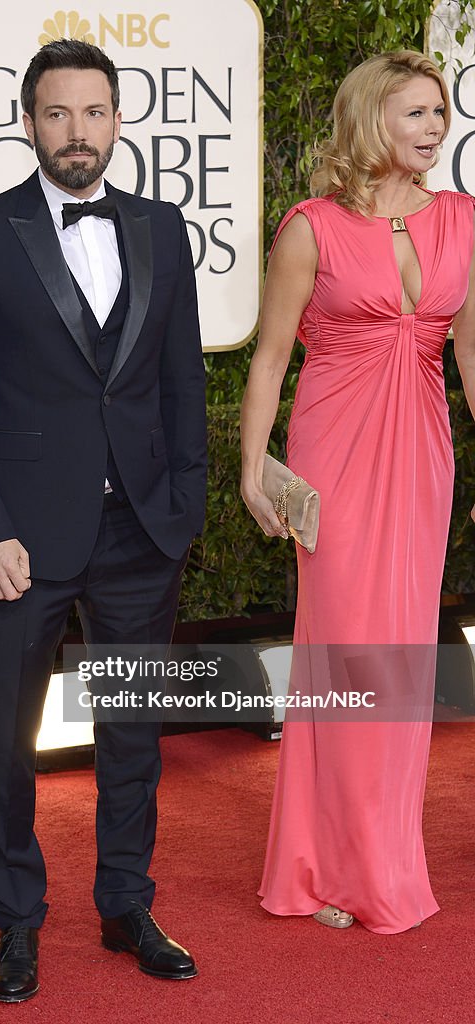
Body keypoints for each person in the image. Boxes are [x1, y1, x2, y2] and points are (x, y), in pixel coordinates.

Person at [0, 39, 207, 1001]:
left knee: (133, 732)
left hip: (141, 532)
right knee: (8, 739)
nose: (77, 132)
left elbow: (180, 382)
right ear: (28, 122)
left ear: (119, 120)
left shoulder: (163, 230)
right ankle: (16, 921)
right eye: (58, 114)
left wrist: (183, 502)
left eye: (94, 113)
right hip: (21, 539)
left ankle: (127, 902)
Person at [240, 50, 475, 934]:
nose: (434, 128)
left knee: (401, 657)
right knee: (344, 654)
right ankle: (322, 866)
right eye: (415, 113)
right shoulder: (311, 226)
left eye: (439, 112)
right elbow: (268, 360)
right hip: (333, 449)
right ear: (370, 119)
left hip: (422, 451)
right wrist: (251, 465)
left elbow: (471, 355)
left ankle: (378, 860)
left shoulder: (465, 220)